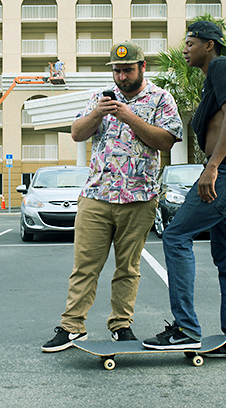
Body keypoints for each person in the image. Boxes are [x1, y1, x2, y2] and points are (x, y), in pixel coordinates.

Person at [42, 42, 183, 352]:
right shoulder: (100, 97)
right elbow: (77, 132)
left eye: (127, 70)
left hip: (139, 197)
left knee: (128, 268)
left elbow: (166, 142)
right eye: (117, 71)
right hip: (97, 195)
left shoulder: (161, 99)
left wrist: (129, 116)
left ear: (142, 67)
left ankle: (121, 325)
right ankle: (72, 326)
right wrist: (97, 113)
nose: (121, 77)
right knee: (85, 265)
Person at [143, 21, 226, 361]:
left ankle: (185, 330)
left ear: (209, 44)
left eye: (190, 43)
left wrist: (211, 167)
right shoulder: (217, 77)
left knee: (175, 235)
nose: (186, 49)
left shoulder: (222, 66)